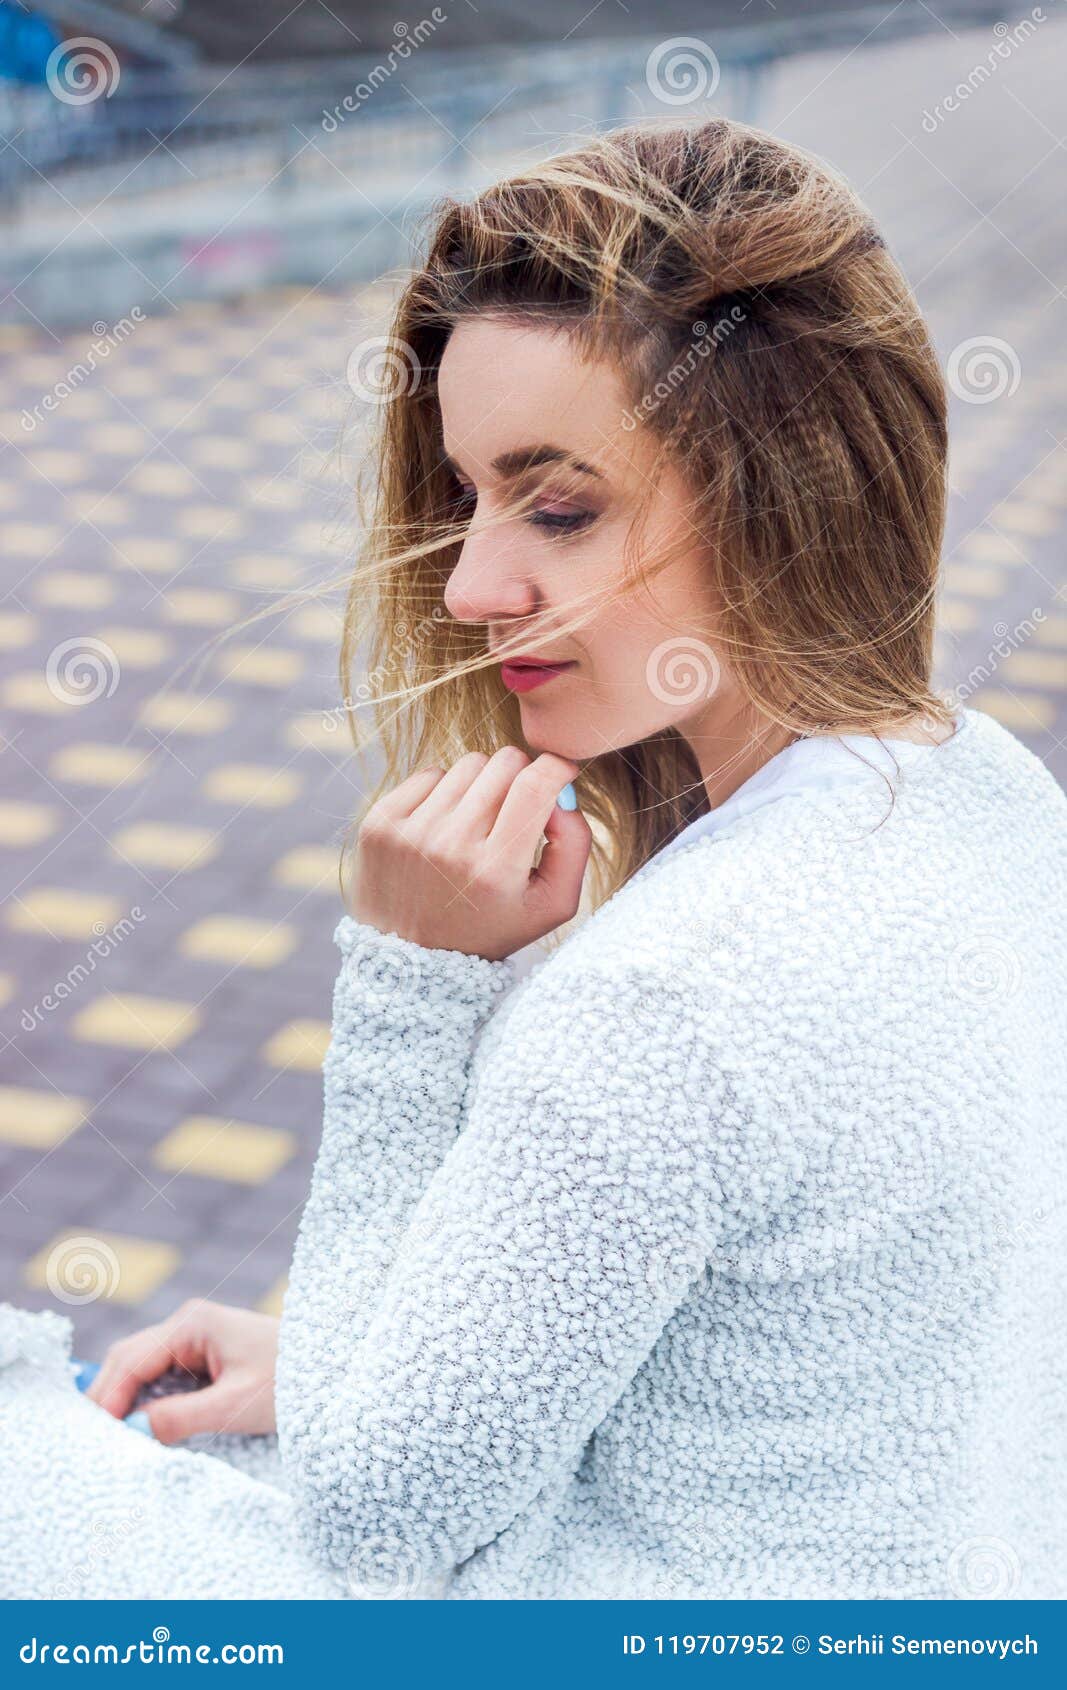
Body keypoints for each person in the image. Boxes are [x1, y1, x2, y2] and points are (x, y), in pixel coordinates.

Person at [1, 116, 1064, 1602]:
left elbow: (377, 1527)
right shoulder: (994, 793)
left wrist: (414, 987)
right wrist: (345, 1366)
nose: (475, 581)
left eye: (558, 506)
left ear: (789, 492)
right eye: (469, 495)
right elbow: (791, 1354)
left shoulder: (672, 996)